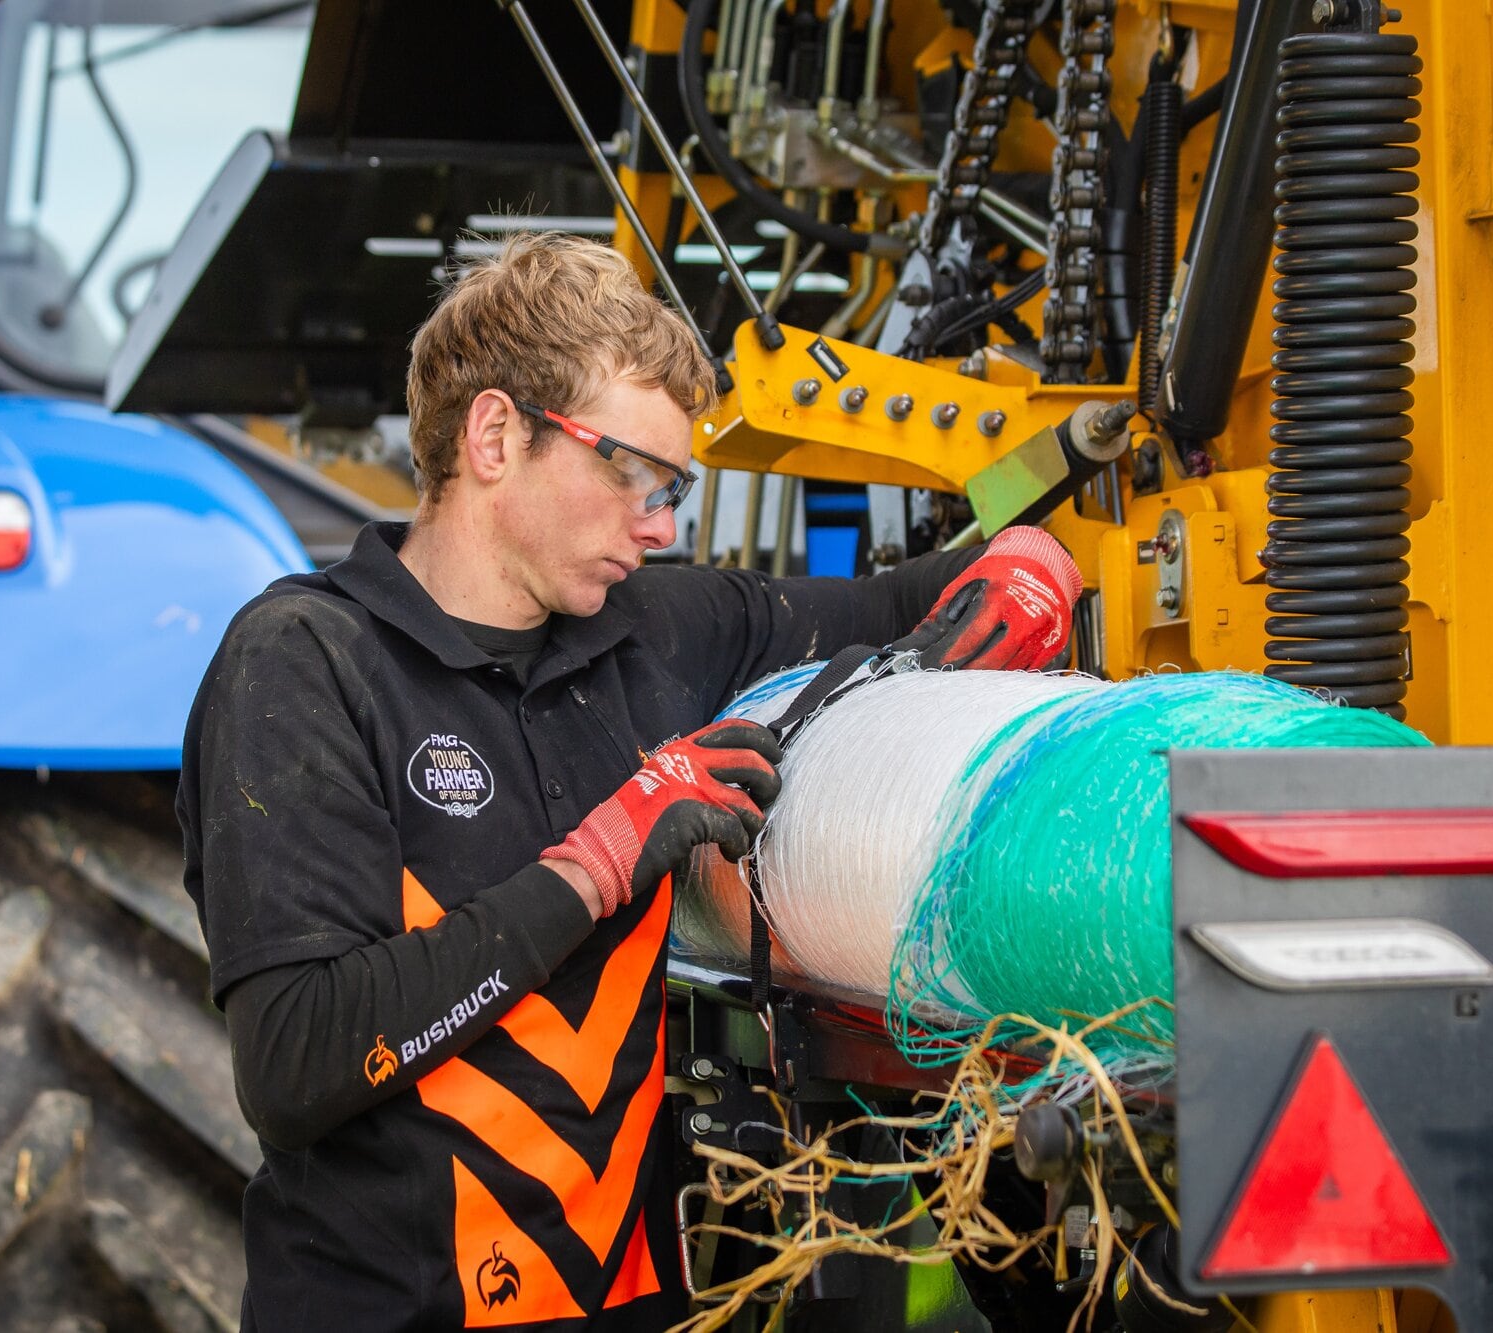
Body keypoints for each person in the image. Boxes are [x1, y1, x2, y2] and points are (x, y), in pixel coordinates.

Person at [176, 232, 1083, 1332]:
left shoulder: (649, 634)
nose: (656, 528)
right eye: (629, 473)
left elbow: (903, 604)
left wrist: (1034, 549)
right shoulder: (305, 665)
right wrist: (598, 862)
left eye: (674, 489)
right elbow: (296, 1064)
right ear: (496, 433)